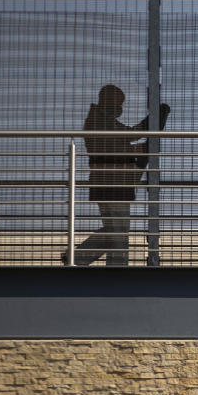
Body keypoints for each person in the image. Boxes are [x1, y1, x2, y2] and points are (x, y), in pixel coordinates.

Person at [69, 85, 170, 266]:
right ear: (107, 100)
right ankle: (89, 261)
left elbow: (129, 135)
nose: (120, 108)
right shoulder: (97, 122)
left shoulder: (105, 120)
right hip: (110, 183)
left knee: (116, 230)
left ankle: (80, 258)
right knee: (117, 233)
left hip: (118, 183)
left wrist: (150, 125)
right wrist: (147, 143)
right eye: (118, 103)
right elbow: (120, 145)